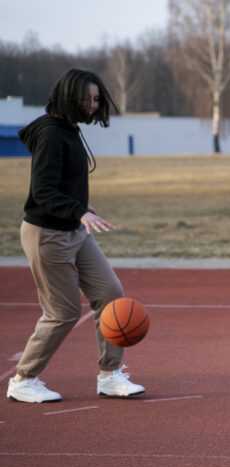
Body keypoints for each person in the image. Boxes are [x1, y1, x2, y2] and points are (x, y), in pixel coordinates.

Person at [6, 69, 145, 403]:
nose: (93, 105)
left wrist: (81, 208)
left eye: (96, 99)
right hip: (47, 235)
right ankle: (23, 379)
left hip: (73, 230)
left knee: (110, 294)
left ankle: (110, 374)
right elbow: (43, 192)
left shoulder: (69, 129)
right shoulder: (51, 135)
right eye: (87, 99)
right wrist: (78, 211)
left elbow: (62, 185)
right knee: (62, 312)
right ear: (69, 97)